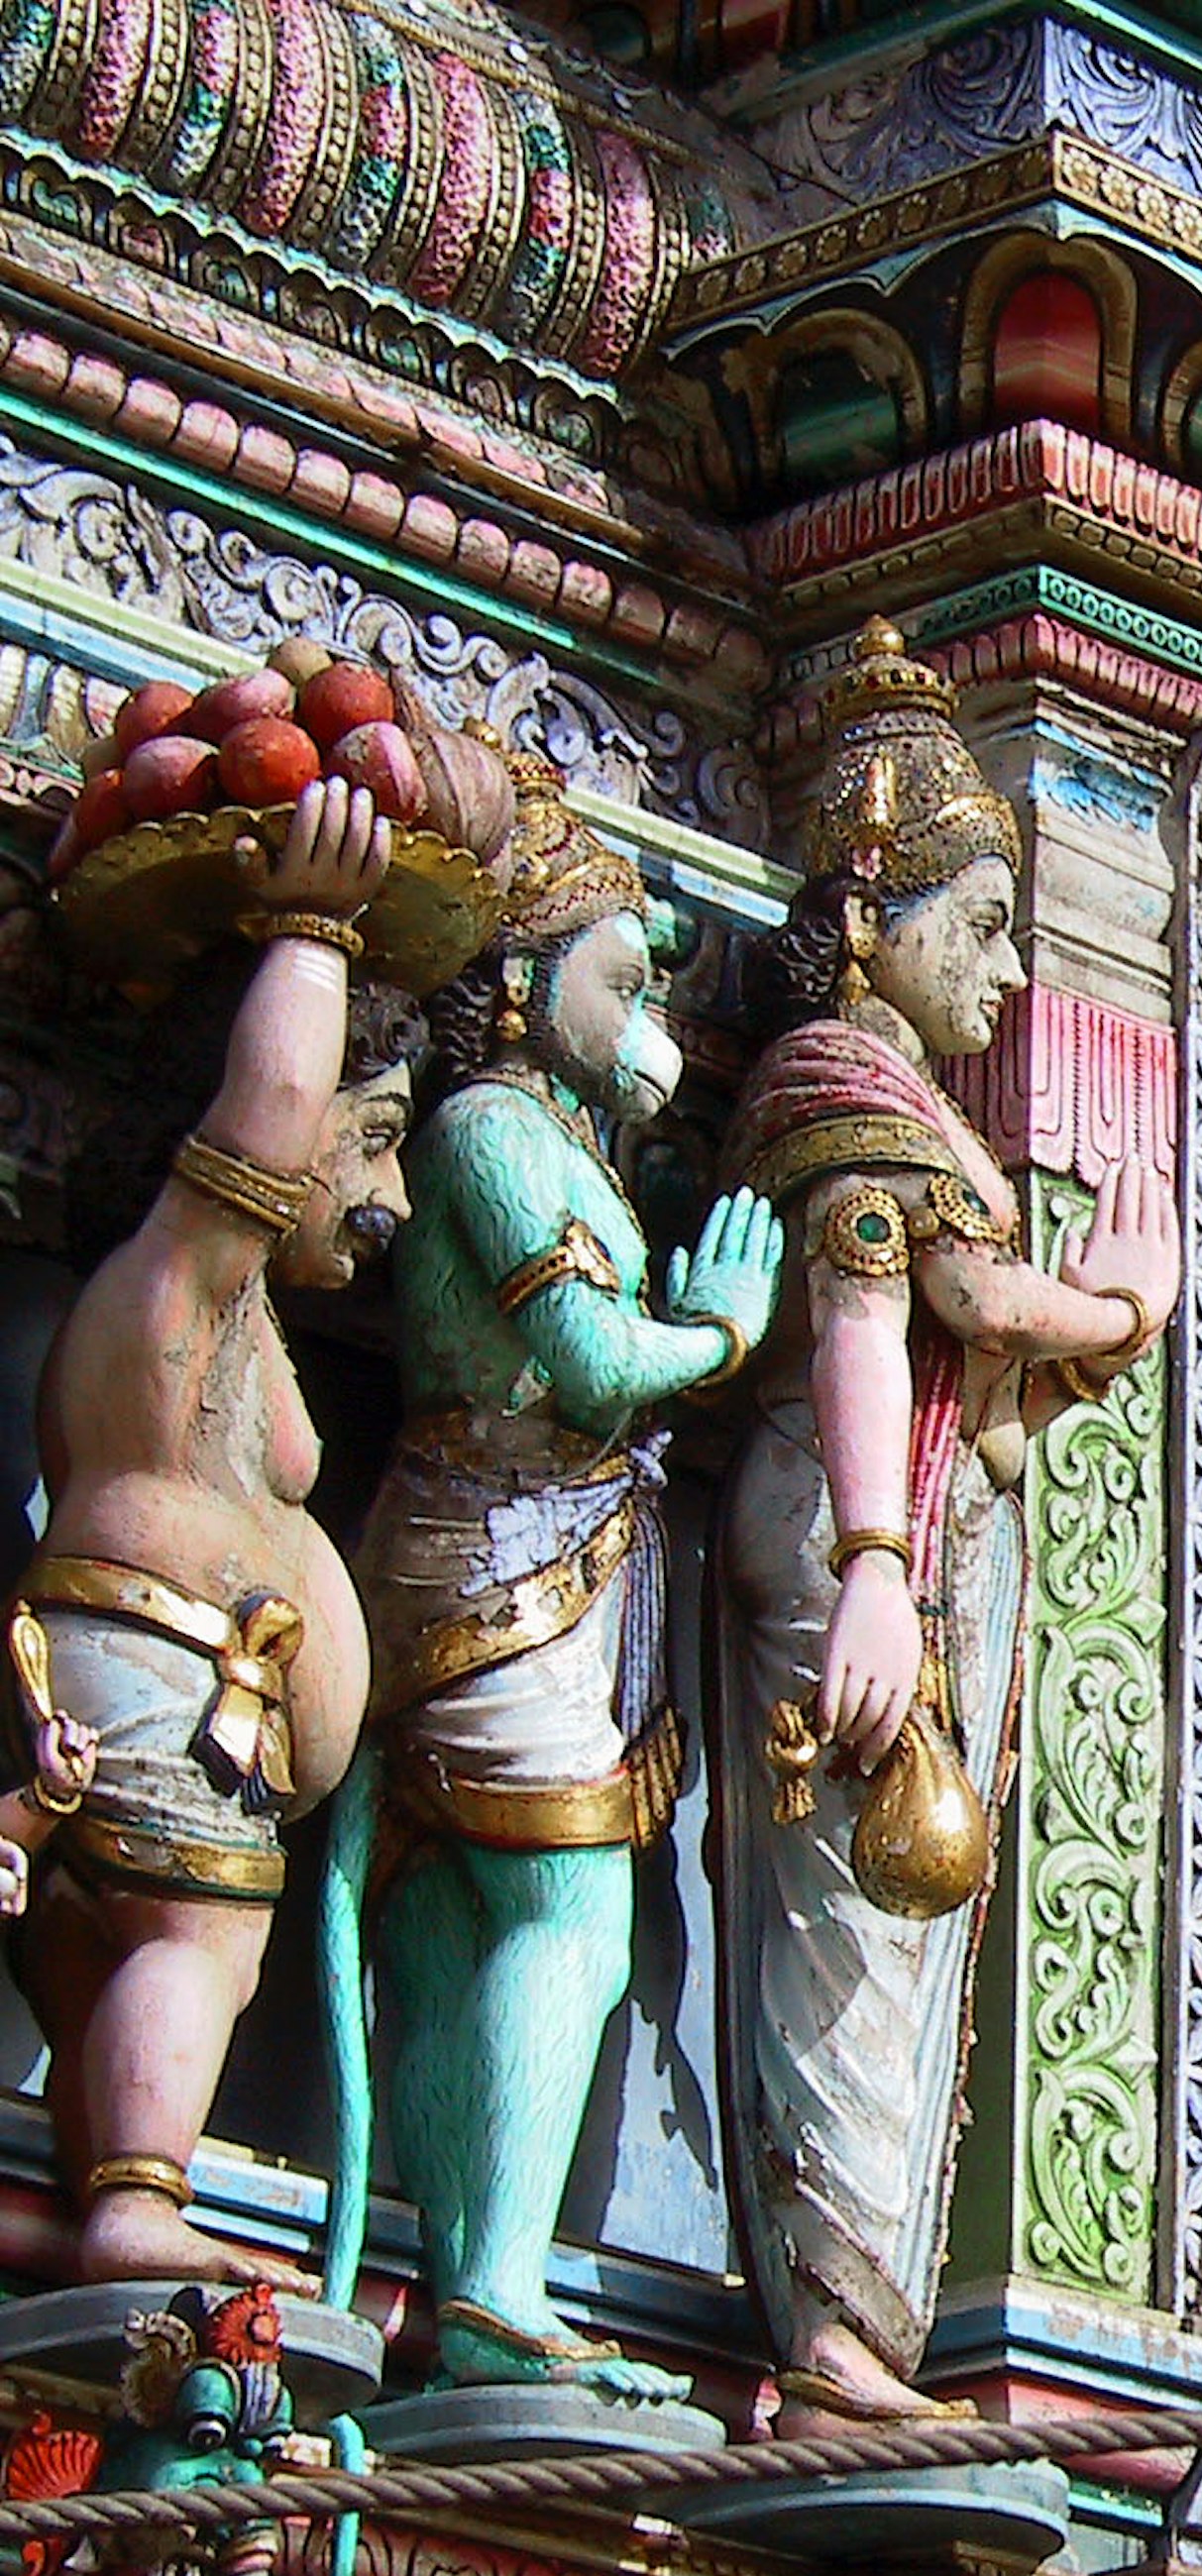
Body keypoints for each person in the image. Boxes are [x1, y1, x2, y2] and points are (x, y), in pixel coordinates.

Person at [714, 621, 1177, 2432]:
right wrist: (877, 1571)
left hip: (902, 1522)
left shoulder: (905, 1099)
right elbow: (908, 1310)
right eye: (977, 925)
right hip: (845, 1533)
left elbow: (972, 1396)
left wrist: (1048, 1385)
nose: (1001, 968)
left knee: (903, 1927)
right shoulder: (842, 1084)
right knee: (847, 1923)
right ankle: (827, 2339)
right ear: (865, 910)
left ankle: (867, 2332)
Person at [340, 756, 776, 2396]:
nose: (651, 1004)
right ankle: (504, 2279)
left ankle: (476, 2289)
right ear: (525, 984)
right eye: (625, 973)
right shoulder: (488, 1128)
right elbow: (591, 1364)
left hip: (526, 1563)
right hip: (494, 1559)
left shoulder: (558, 1145)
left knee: (472, 1909)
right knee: (574, 1911)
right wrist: (720, 1336)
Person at [5, 777, 415, 2286]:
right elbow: (267, 1118)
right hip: (155, 1692)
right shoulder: (168, 1287)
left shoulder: (245, 1327)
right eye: (371, 1141)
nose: (388, 1195)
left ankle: (99, 2173)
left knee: (152, 1959)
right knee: (194, 1943)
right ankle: (136, 2205)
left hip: (180, 1711)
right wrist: (314, 932)